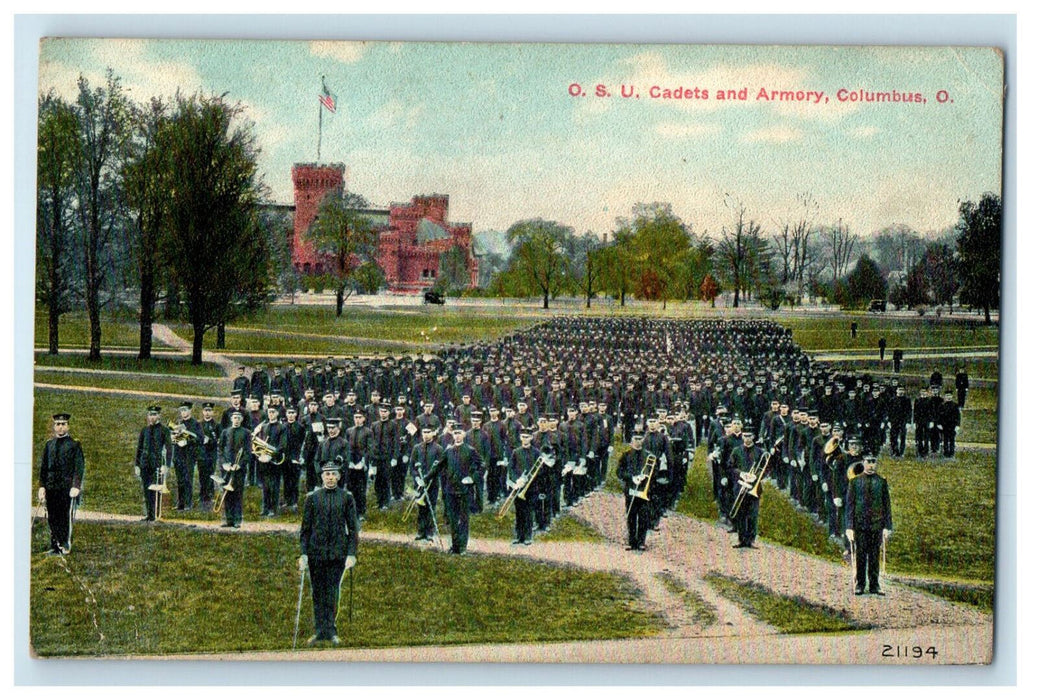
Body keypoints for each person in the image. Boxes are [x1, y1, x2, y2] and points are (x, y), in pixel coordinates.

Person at [298, 461, 359, 645]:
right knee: (318, 592)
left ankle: (331, 630)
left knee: (333, 592)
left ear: (339, 476)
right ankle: (319, 631)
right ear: (322, 477)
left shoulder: (347, 498)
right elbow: (305, 530)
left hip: (337, 554)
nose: (330, 478)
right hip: (316, 553)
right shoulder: (312, 498)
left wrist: (351, 554)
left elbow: (353, 529)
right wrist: (303, 554)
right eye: (327, 474)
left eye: (334, 474)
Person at [424, 427, 482, 554]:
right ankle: (455, 546)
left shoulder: (471, 451)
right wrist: (426, 478)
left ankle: (462, 547)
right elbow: (438, 466)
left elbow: (481, 466)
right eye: (455, 433)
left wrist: (472, 478)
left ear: (464, 434)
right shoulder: (448, 451)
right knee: (453, 519)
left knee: (464, 519)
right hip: (450, 490)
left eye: (459, 433)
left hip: (465, 491)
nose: (457, 436)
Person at [844, 453, 893, 595]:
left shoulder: (881, 482)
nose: (871, 465)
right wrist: (849, 527)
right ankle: (860, 584)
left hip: (876, 525)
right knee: (860, 555)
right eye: (868, 462)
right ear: (863, 463)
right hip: (860, 525)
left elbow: (886, 506)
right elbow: (850, 506)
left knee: (874, 556)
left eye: (873, 462)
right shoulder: (855, 482)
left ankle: (874, 585)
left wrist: (887, 526)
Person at [37, 413, 85, 555]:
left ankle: (65, 544)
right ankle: (55, 545)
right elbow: (44, 468)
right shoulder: (49, 445)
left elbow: (79, 467)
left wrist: (76, 486)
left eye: (63, 424)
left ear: (68, 426)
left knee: (64, 517)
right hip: (51, 486)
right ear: (54, 426)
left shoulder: (74, 444)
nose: (60, 427)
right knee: (52, 516)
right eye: (58, 424)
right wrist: (42, 486)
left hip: (66, 488)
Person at [728, 429, 764, 548]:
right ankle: (741, 539)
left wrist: (755, 476)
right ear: (742, 436)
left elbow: (765, 468)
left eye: (749, 436)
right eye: (745, 436)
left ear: (753, 436)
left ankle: (751, 540)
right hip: (740, 485)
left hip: (754, 486)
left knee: (753, 514)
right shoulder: (736, 451)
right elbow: (730, 466)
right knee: (741, 513)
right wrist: (741, 474)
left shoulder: (760, 452)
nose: (747, 438)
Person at [135, 405, 171, 522]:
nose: (152, 417)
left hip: (157, 465)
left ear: (159, 416)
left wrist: (166, 465)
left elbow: (169, 449)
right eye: (150, 414)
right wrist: (137, 465)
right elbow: (139, 449)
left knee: (157, 490)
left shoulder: (164, 430)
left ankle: (156, 514)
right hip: (145, 464)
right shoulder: (144, 430)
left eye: (155, 414)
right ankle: (149, 514)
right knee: (147, 490)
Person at [617, 428, 652, 551]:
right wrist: (631, 478)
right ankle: (631, 541)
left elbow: (655, 473)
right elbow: (619, 472)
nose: (638, 441)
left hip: (644, 491)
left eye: (640, 439)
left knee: (643, 516)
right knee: (631, 515)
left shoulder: (649, 456)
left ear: (643, 439)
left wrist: (645, 478)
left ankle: (641, 541)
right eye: (635, 439)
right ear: (631, 440)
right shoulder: (625, 455)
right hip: (631, 490)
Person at [217, 409, 250, 528]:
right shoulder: (225, 432)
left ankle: (237, 519)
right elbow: (220, 450)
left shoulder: (246, 433)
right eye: (234, 418)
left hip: (239, 468)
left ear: (241, 420)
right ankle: (228, 519)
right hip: (226, 467)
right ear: (231, 419)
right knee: (227, 493)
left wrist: (240, 464)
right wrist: (224, 463)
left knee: (237, 493)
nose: (236, 420)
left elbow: (247, 452)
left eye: (239, 418)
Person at [170, 402, 202, 510]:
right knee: (180, 480)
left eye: (185, 410)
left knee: (188, 479)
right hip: (179, 455)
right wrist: (174, 438)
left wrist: (188, 440)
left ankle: (188, 503)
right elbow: (173, 439)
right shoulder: (178, 423)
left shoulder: (195, 424)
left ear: (190, 411)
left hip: (189, 455)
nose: (183, 413)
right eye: (181, 410)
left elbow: (200, 439)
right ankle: (181, 503)